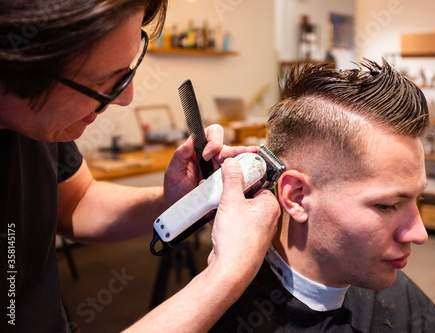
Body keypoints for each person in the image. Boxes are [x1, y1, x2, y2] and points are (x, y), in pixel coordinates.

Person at [0, 1, 280, 332]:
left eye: (130, 71)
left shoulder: (42, 126)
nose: (126, 97)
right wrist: (228, 271)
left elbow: (76, 202)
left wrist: (178, 200)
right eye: (108, 83)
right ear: (19, 66)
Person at [211, 60, 435, 332]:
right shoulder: (227, 318)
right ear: (296, 197)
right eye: (387, 206)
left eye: (417, 199)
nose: (419, 233)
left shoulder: (387, 284)